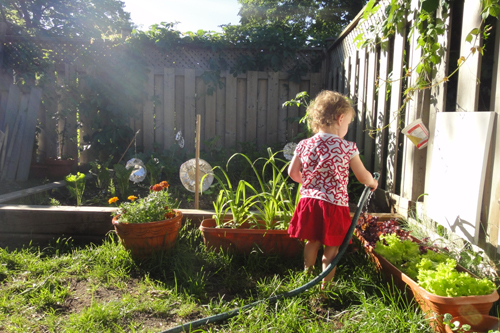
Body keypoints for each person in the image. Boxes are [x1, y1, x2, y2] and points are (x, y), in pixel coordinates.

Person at [287, 90, 378, 289]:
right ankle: (324, 288)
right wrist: (372, 183)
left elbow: (292, 173)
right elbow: (362, 176)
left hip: (309, 202)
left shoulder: (304, 144)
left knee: (312, 241)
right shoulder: (347, 147)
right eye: (347, 124)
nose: (346, 128)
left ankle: (307, 276)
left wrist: (309, 184)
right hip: (334, 205)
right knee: (332, 248)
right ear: (340, 118)